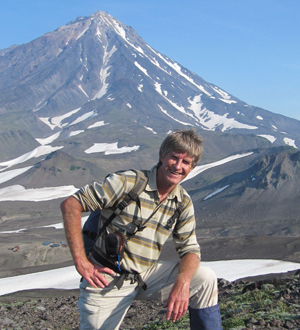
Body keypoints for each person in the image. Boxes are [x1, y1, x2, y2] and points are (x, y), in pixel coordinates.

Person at [61, 128, 223, 330]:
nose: (178, 166)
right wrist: (82, 263)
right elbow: (71, 204)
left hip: (146, 275)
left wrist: (182, 283)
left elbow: (190, 249)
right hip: (107, 277)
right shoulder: (129, 182)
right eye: (174, 158)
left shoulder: (182, 202)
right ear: (162, 156)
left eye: (186, 162)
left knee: (204, 278)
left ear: (192, 167)